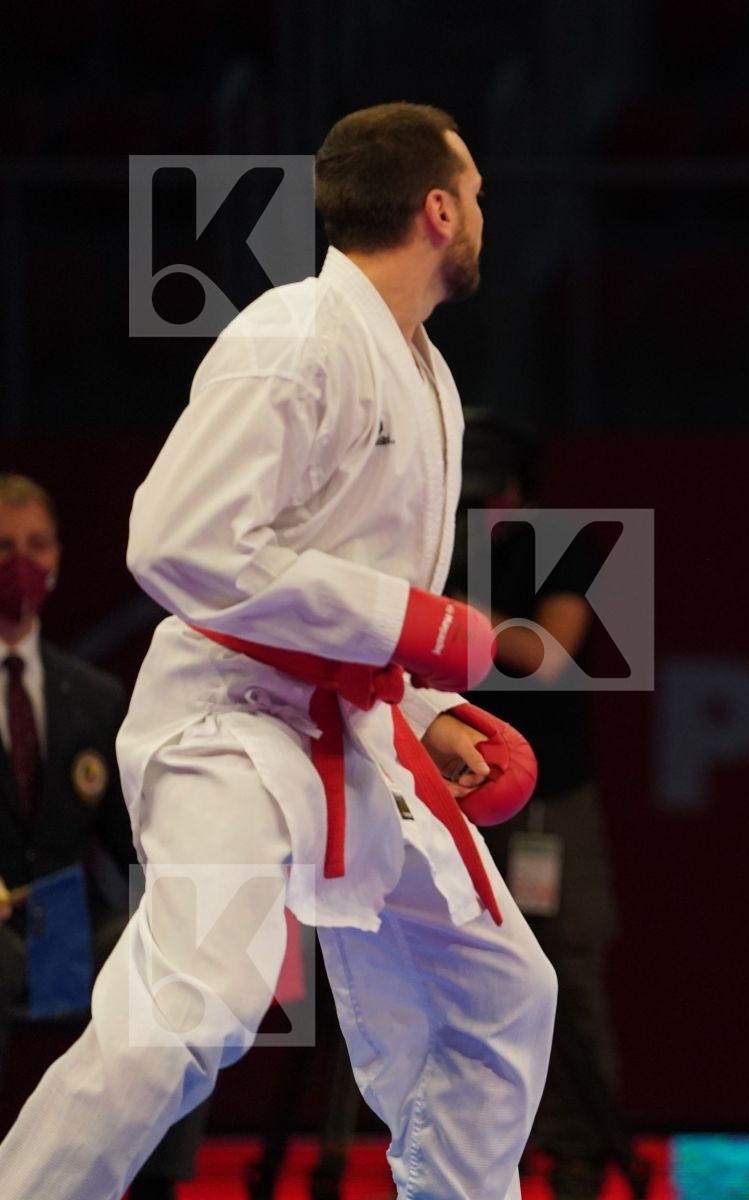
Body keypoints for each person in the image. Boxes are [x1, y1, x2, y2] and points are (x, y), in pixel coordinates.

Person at [0, 103, 557, 1200]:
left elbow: (359, 595)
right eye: (478, 194)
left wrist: (432, 712)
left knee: (502, 991)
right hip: (230, 721)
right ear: (438, 211)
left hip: (353, 727)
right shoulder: (292, 334)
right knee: (191, 1007)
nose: (486, 212)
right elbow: (176, 541)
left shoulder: (428, 375)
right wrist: (404, 626)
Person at [447, 411, 649, 1200]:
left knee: (565, 967)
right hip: (448, 802)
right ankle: (487, 1146)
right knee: (460, 975)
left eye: (484, 489)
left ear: (516, 485)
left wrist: (450, 619)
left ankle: (578, 1146)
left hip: (547, 805)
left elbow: (551, 653)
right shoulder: (428, 543)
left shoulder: (562, 545)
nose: (472, 506)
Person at [0, 474, 211, 1200]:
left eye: (33, 546)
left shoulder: (93, 696)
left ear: (57, 559)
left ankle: (156, 1188)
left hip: (63, 934)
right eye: (2, 547)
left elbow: (137, 845)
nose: (19, 563)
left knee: (184, 969)